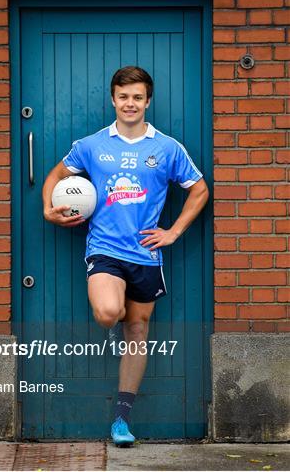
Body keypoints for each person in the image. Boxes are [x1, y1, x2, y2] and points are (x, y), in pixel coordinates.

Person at [42, 65, 209, 446]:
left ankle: (121, 420)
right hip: (104, 249)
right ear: (113, 100)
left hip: (147, 254)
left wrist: (174, 231)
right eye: (123, 97)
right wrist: (47, 209)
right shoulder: (91, 145)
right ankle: (112, 313)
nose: (130, 103)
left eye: (137, 97)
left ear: (148, 101)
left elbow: (199, 189)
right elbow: (55, 176)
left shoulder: (166, 148)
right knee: (108, 313)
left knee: (137, 331)